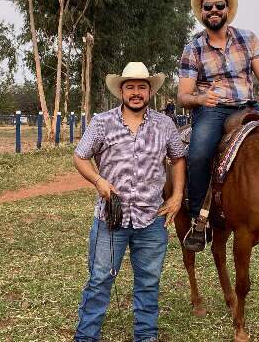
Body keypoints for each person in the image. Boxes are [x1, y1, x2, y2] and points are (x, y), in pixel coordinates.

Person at [73, 62, 186, 342]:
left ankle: (145, 336)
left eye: (142, 87)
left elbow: (179, 157)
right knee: (100, 280)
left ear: (150, 91)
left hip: (151, 220)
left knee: (148, 283)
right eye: (131, 87)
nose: (136, 93)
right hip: (110, 219)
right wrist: (99, 181)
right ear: (121, 91)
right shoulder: (102, 122)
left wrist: (177, 195)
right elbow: (80, 156)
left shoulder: (165, 124)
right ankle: (86, 337)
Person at [177, 0, 259, 251]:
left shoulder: (248, 38)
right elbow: (183, 95)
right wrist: (201, 99)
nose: (213, 10)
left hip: (247, 105)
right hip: (212, 109)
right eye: (208, 7)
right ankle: (199, 220)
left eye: (218, 6)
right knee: (199, 154)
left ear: (227, 10)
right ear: (201, 12)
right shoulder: (193, 48)